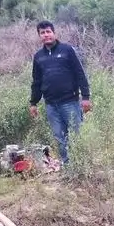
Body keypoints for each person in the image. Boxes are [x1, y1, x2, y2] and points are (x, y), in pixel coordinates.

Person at [28, 20, 92, 165]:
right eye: (42, 33)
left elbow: (80, 74)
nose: (46, 35)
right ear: (39, 36)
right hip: (51, 106)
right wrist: (33, 103)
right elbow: (36, 82)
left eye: (48, 32)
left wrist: (86, 97)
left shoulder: (67, 50)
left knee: (77, 135)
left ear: (54, 33)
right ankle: (67, 167)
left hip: (70, 102)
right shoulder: (38, 57)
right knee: (60, 138)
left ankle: (84, 165)